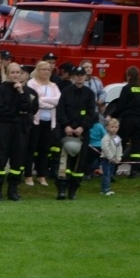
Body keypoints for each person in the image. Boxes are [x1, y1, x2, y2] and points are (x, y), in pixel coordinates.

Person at [0, 62, 39, 201]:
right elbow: (1, 109)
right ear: (8, 74)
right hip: (4, 128)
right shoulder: (1, 89)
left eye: (18, 72)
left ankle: (13, 190)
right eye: (13, 72)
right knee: (0, 159)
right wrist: (18, 112)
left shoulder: (29, 92)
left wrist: (21, 92)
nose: (16, 75)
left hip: (21, 129)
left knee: (17, 161)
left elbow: (30, 109)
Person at [55, 66, 97, 199]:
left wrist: (82, 127)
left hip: (82, 133)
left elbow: (91, 114)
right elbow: (60, 111)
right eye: (77, 75)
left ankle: (73, 190)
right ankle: (61, 189)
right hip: (66, 132)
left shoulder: (90, 94)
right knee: (63, 162)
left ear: (85, 76)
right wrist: (66, 126)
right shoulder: (66, 92)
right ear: (73, 77)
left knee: (79, 164)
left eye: (82, 75)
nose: (79, 77)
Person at [24, 61, 61, 187]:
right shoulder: (31, 84)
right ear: (38, 70)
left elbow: (58, 100)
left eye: (48, 70)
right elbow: (35, 102)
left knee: (44, 149)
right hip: (35, 121)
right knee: (31, 148)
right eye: (43, 69)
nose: (46, 72)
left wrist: (44, 101)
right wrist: (48, 104)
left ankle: (41, 175)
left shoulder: (53, 85)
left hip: (49, 121)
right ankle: (28, 175)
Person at [110, 66, 140, 178]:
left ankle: (113, 169)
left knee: (121, 144)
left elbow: (121, 106)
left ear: (128, 76)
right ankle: (134, 171)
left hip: (129, 120)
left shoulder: (127, 88)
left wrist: (113, 116)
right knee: (137, 146)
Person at [100, 117, 122, 195]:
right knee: (106, 174)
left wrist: (118, 158)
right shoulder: (106, 137)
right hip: (106, 159)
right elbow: (105, 148)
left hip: (113, 160)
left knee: (110, 174)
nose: (114, 129)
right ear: (107, 127)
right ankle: (105, 189)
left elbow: (119, 148)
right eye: (112, 127)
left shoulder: (117, 138)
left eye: (116, 127)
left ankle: (105, 188)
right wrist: (110, 158)